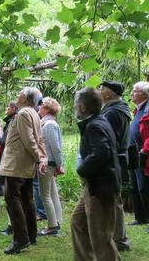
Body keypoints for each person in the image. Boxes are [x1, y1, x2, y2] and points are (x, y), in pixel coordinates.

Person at [71, 87, 121, 261]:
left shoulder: (95, 125)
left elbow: (101, 152)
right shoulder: (97, 121)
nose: (75, 107)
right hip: (94, 186)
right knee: (78, 222)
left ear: (83, 107)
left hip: (101, 188)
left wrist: (82, 169)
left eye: (76, 104)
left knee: (100, 235)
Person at [0, 87, 47, 255]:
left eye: (19, 94)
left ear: (26, 98)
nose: (17, 95)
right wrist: (41, 156)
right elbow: (38, 139)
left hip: (16, 165)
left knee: (12, 200)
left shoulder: (23, 113)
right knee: (27, 199)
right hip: (24, 164)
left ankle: (20, 238)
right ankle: (31, 235)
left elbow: (30, 140)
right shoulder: (33, 112)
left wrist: (39, 157)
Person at [99, 80, 132, 250]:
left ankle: (119, 240)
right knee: (113, 200)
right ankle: (117, 237)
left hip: (113, 160)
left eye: (101, 88)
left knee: (113, 201)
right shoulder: (117, 109)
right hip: (118, 159)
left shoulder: (112, 113)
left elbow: (107, 141)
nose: (99, 91)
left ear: (109, 94)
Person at [37, 97, 63, 236]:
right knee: (52, 193)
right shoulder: (46, 123)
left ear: (47, 108)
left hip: (48, 163)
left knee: (45, 194)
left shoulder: (49, 125)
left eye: (41, 106)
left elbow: (56, 148)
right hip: (50, 163)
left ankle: (52, 226)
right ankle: (56, 221)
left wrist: (59, 165)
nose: (39, 108)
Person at [0, 101, 18, 235]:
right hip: (9, 161)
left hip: (9, 162)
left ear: (13, 108)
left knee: (11, 196)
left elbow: (4, 142)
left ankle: (12, 225)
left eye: (7, 107)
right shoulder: (11, 121)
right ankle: (12, 225)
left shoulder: (13, 122)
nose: (5, 109)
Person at [129, 81, 149, 231]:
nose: (132, 93)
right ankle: (140, 217)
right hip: (133, 153)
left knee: (144, 187)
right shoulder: (139, 109)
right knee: (134, 186)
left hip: (144, 155)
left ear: (144, 94)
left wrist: (144, 150)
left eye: (134, 91)